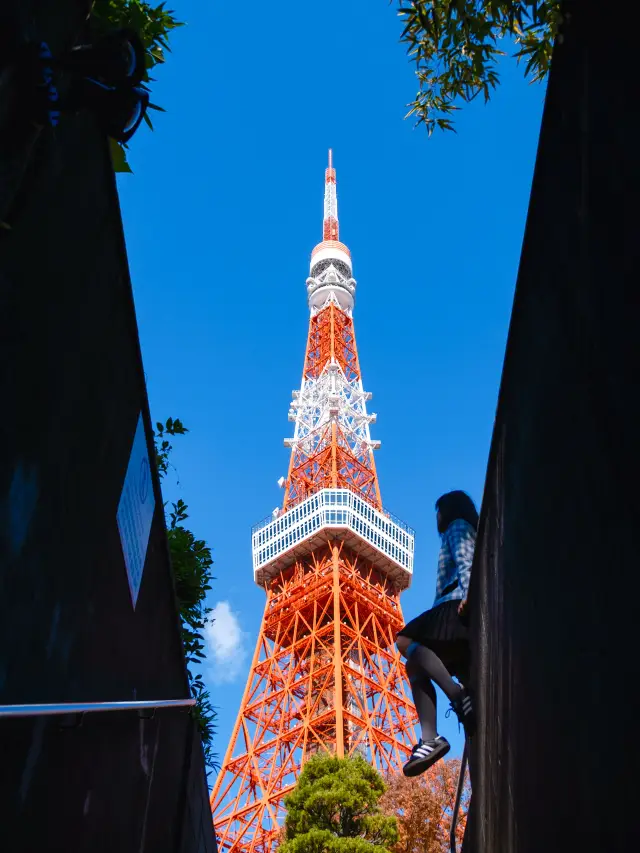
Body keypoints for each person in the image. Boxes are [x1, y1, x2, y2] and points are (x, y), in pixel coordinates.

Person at [397, 490, 478, 777]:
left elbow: (467, 560)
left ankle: (456, 695)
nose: (436, 518)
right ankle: (430, 739)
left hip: (455, 606)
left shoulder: (457, 527)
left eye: (438, 511)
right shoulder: (454, 531)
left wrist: (469, 597)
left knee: (403, 640)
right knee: (413, 663)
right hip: (448, 611)